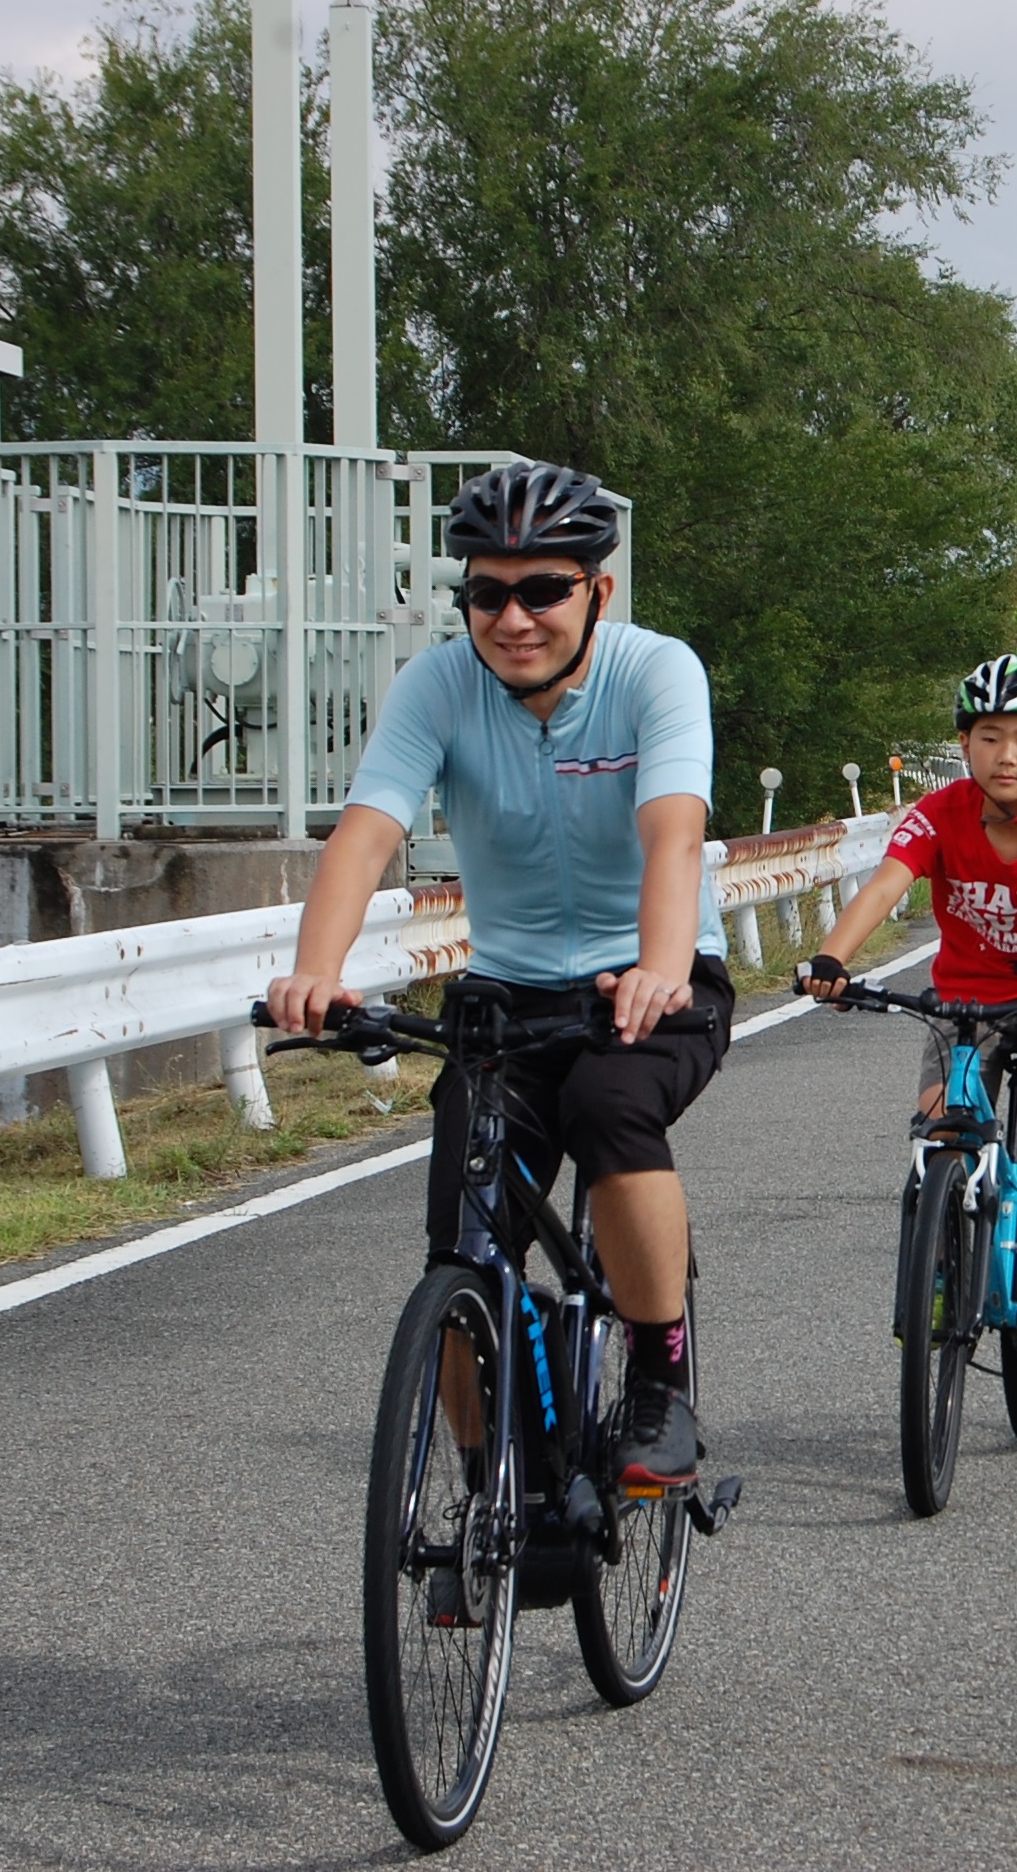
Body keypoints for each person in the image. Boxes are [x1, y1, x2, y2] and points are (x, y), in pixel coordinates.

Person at [264, 459, 731, 1497]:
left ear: (596, 592)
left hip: (648, 984)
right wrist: (316, 970)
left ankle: (660, 1385)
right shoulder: (436, 684)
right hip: (507, 998)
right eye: (486, 591)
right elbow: (366, 830)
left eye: (542, 590)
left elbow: (673, 833)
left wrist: (659, 967)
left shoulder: (655, 673)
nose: (512, 618)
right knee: (461, 1253)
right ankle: (494, 1492)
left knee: (614, 1112)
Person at [796, 656, 1017, 1311]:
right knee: (938, 1126)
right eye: (987, 737)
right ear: (963, 744)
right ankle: (945, 1261)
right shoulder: (938, 813)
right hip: (964, 1000)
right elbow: (886, 883)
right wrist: (830, 959)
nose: (1004, 755)